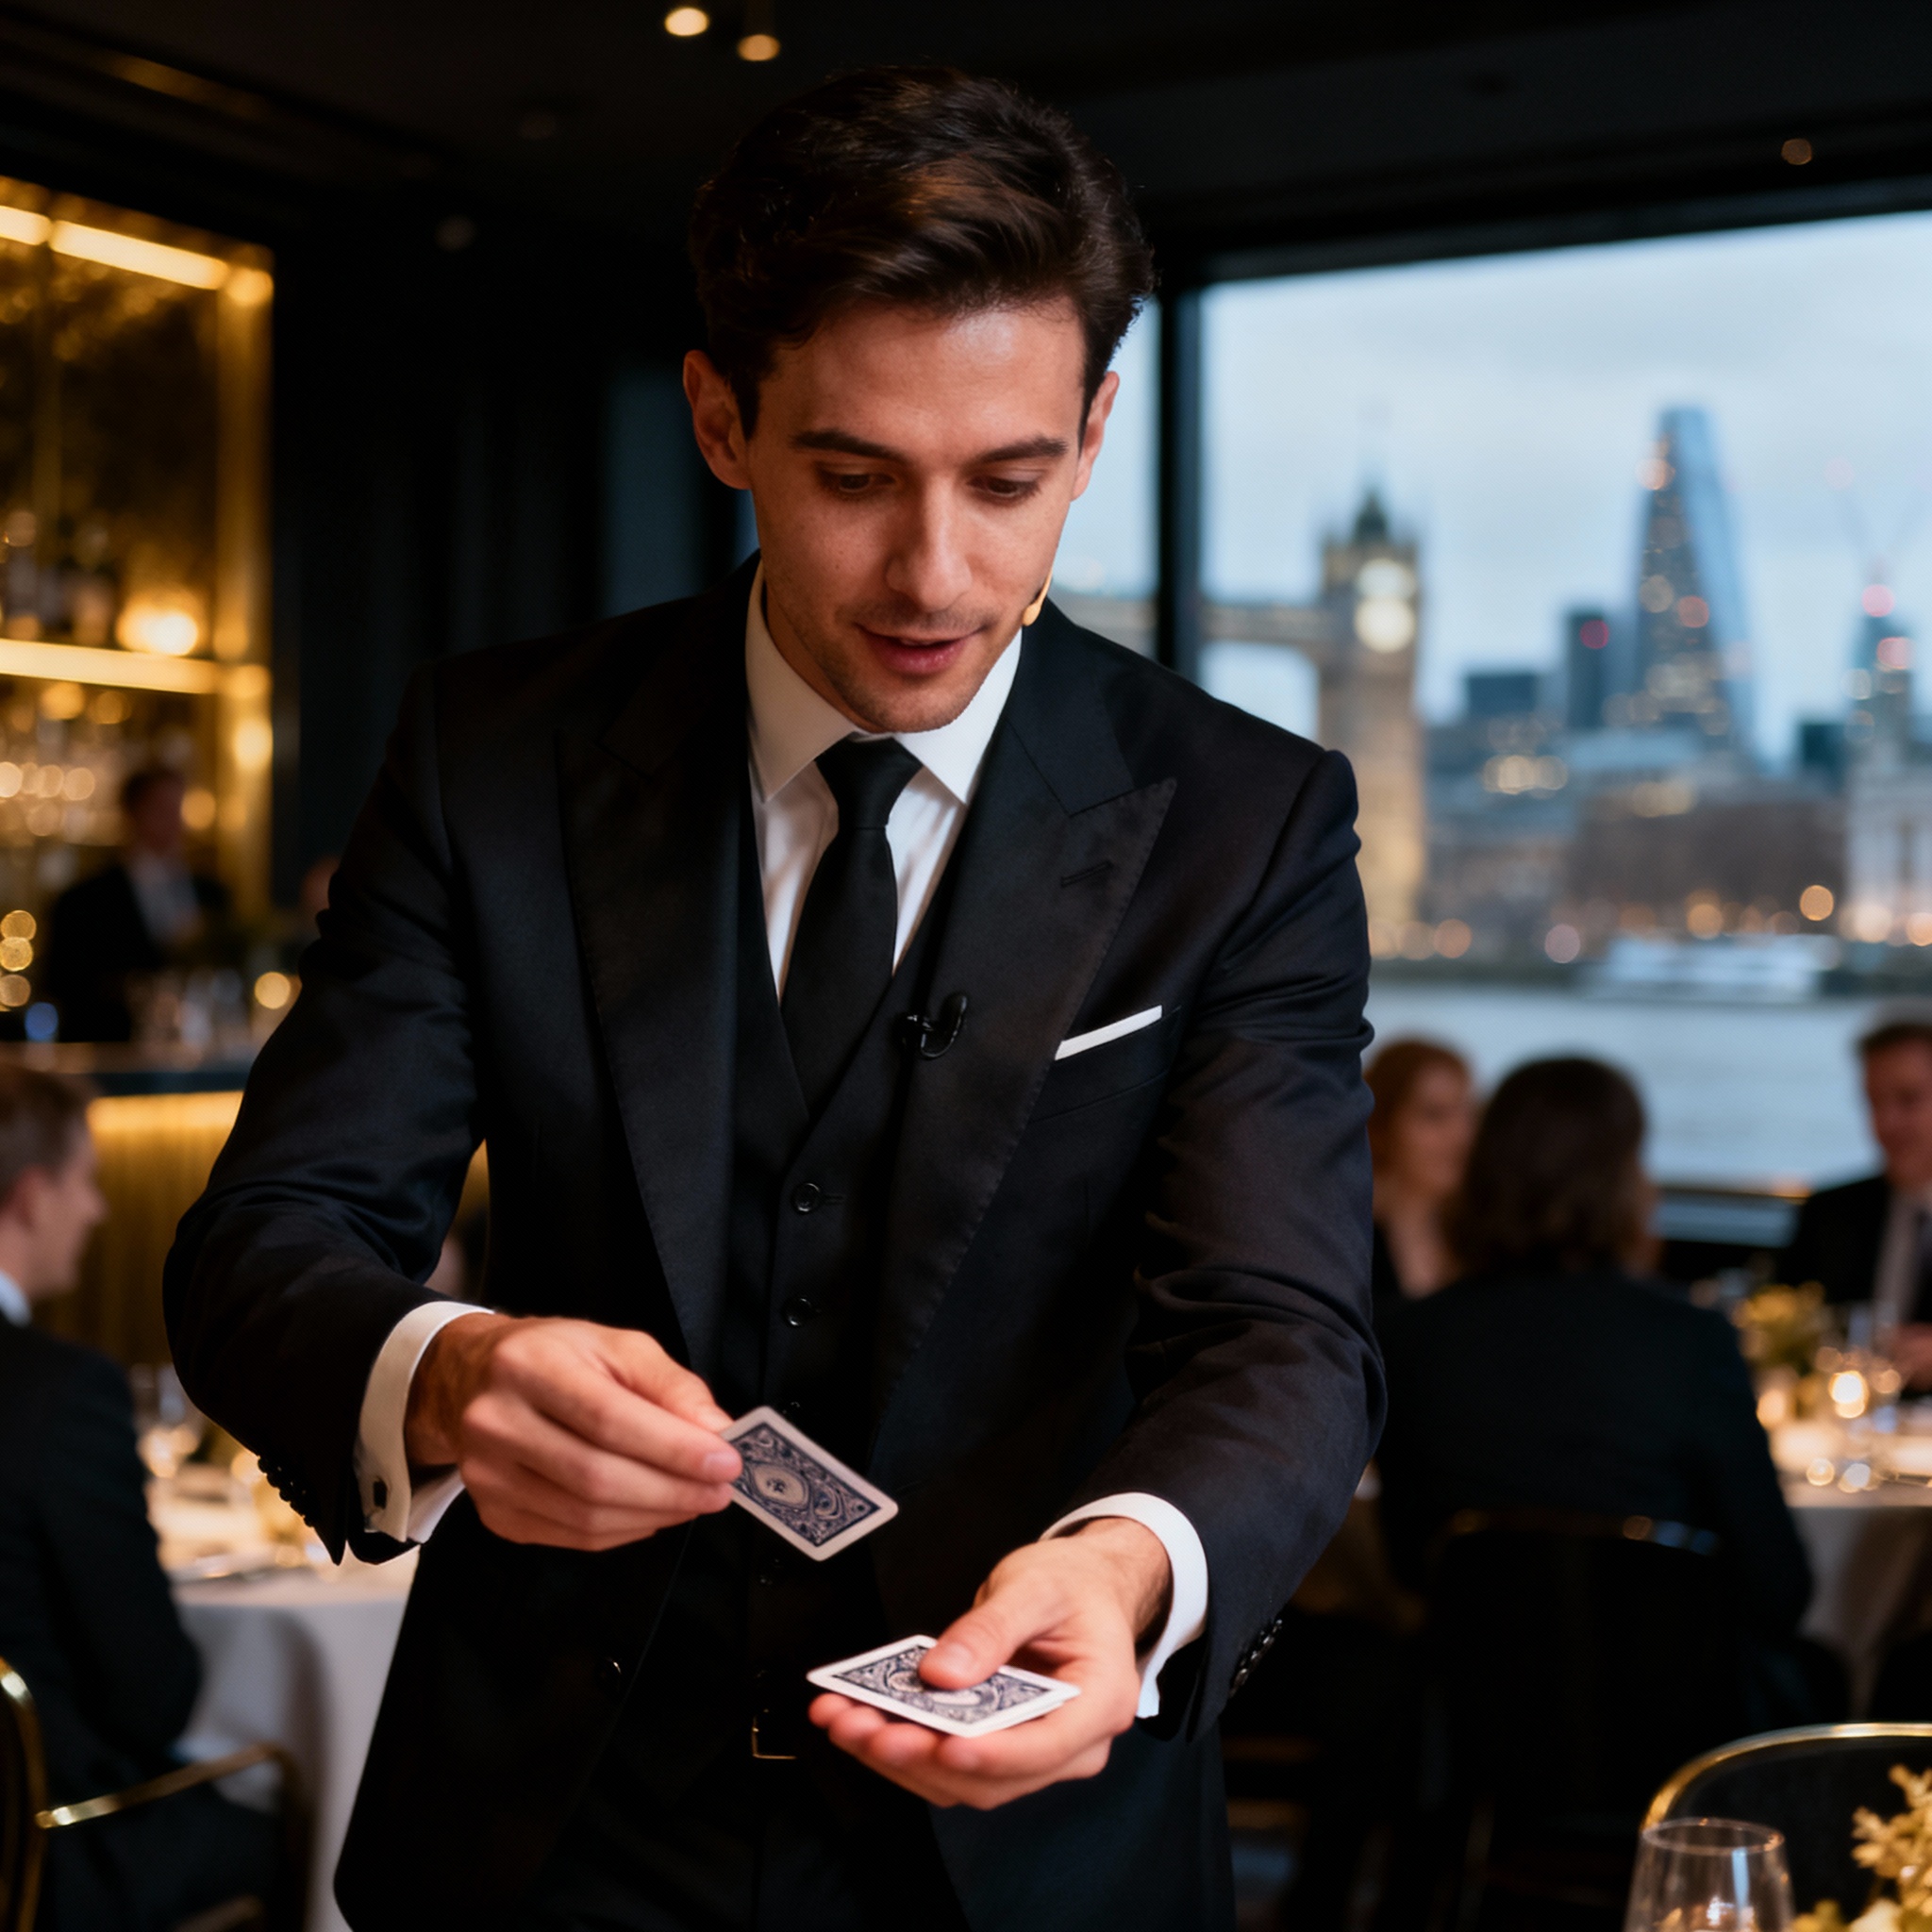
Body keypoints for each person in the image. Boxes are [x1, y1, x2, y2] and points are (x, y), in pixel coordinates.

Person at [163, 66, 1380, 1932]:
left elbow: (1283, 1336)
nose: (937, 574)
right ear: (723, 421)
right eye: (852, 476)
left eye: (1010, 479)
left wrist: (1132, 1568)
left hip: (1024, 1861)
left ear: (1096, 426)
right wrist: (449, 1377)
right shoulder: (492, 754)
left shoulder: (1246, 817)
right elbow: (271, 1241)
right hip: (545, 1835)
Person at [1376, 1057, 1811, 1651]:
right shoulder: (1689, 1340)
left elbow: (1409, 1562)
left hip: (1476, 1713)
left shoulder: (1412, 1338)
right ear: (1623, 1178)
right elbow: (1779, 1586)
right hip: (1679, 1717)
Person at [0, 1063, 281, 1930]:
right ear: (33, 1195)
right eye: (87, 1183)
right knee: (315, 1821)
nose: (98, 1212)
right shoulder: (59, 1393)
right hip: (45, 1850)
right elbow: (154, 1696)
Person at [1780, 1017, 1932, 1388]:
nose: (1886, 1123)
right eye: (1874, 1103)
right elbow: (1786, 1334)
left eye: (1907, 1100)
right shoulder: (1829, 1213)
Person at [42, 765, 232, 1041]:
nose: (174, 821)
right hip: (114, 1052)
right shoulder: (84, 900)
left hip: (200, 1048)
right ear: (131, 814)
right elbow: (63, 985)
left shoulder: (212, 892)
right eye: (160, 809)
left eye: (178, 808)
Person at [1365, 1038, 1474, 1315]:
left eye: (1469, 1114)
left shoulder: (1477, 1238)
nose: (1462, 1135)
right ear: (1383, 1124)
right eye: (1434, 1115)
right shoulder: (1348, 1242)